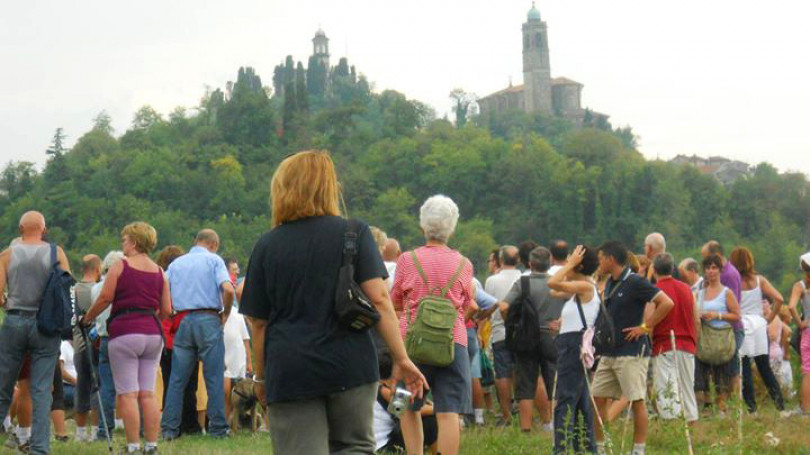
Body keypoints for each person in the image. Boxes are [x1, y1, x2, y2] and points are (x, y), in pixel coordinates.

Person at [239, 151, 426, 455]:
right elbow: (380, 299)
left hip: (291, 368)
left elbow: (259, 323)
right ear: (329, 188)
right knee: (354, 447)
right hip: (350, 363)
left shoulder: (267, 245)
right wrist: (401, 358)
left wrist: (261, 377)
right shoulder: (354, 233)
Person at [392, 194, 473, 455]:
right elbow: (466, 304)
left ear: (422, 226)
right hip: (453, 343)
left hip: (413, 346)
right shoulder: (464, 264)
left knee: (406, 406)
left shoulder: (407, 260)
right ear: (452, 228)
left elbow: (395, 303)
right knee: (449, 412)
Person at [82, 222, 171, 454]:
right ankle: (151, 445)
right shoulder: (160, 272)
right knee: (148, 393)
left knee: (127, 393)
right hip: (153, 332)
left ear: (133, 241)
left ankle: (132, 446)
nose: (122, 244)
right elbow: (167, 309)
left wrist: (87, 318)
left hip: (124, 331)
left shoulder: (121, 266)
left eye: (124, 240)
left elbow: (105, 298)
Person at [591, 241, 674, 455]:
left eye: (601, 259)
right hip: (609, 352)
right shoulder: (610, 282)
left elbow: (666, 303)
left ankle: (638, 449)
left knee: (636, 400)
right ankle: (600, 447)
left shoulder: (635, 281)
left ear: (611, 259)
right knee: (597, 398)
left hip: (631, 353)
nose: (598, 263)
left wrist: (645, 327)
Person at [0, 211, 71, 455]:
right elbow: (65, 291)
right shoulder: (57, 253)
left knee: (4, 384)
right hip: (46, 325)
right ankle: (40, 448)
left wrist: (8, 301)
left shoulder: (7, 255)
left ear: (20, 228)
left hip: (15, 320)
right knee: (41, 390)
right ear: (44, 228)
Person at [160, 229, 236, 440]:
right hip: (209, 319)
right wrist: (225, 314)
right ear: (213, 244)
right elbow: (229, 290)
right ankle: (219, 429)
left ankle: (169, 430)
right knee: (213, 378)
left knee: (177, 380)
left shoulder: (176, 264)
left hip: (182, 320)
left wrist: (168, 313)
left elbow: (161, 288)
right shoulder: (214, 260)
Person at [499, 247, 562, 433]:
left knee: (526, 382)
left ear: (530, 264)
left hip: (527, 337)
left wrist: (512, 325)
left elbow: (503, 306)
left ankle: (525, 428)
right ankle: (552, 424)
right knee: (553, 380)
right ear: (549, 263)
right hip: (551, 336)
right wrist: (560, 322)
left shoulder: (522, 282)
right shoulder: (556, 283)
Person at [548, 245, 599, 455]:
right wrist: (571, 267)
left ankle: (561, 449)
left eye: (572, 258)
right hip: (570, 344)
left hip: (573, 347)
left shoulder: (586, 287)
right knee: (579, 402)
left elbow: (552, 281)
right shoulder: (578, 289)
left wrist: (568, 265)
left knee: (566, 399)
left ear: (580, 264)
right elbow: (553, 290)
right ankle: (586, 449)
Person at [729, 247, 787, 414]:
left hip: (743, 325)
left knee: (745, 368)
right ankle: (780, 407)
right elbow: (779, 298)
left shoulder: (734, 281)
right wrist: (768, 319)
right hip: (759, 325)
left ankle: (751, 409)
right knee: (764, 368)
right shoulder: (759, 280)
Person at [155, 246, 201, 436]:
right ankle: (190, 424)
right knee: (190, 385)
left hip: (166, 339)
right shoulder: (186, 283)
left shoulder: (161, 282)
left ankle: (172, 424)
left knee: (170, 383)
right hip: (186, 336)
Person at [649, 253, 699, 423]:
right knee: (687, 389)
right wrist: (695, 342)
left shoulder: (655, 291)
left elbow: (649, 321)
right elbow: (696, 319)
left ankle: (674, 427)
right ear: (672, 269)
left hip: (664, 345)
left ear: (654, 270)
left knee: (667, 390)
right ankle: (691, 428)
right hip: (687, 345)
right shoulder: (687, 289)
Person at [694, 254, 741, 414]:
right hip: (705, 338)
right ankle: (707, 410)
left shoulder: (726, 292)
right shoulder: (699, 293)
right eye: (708, 268)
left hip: (721, 338)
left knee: (722, 377)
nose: (711, 271)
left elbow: (736, 316)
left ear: (720, 270)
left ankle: (722, 410)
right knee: (704, 377)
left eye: (714, 268)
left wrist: (717, 315)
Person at [484, 245, 522, 426]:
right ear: (519, 260)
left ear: (500, 259)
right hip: (522, 332)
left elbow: (488, 305)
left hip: (500, 332)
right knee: (521, 371)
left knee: (502, 374)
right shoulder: (524, 277)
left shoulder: (492, 280)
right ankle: (523, 410)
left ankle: (506, 414)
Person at [374, 353, 438, 454]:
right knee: (431, 422)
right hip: (383, 448)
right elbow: (409, 411)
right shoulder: (384, 391)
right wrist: (440, 410)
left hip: (379, 445)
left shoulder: (375, 389)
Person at [702, 240, 743, 392]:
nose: (707, 265)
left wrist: (716, 315)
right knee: (723, 369)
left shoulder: (729, 275)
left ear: (717, 256)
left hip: (730, 329)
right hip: (718, 330)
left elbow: (734, 308)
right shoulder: (722, 274)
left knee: (731, 369)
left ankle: (734, 404)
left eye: (707, 258)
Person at [92, 250, 125, 438]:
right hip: (124, 336)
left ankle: (104, 430)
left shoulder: (96, 288)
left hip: (104, 339)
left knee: (107, 387)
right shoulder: (126, 286)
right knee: (133, 386)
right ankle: (141, 428)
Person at [72, 254, 102, 442]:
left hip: (78, 345)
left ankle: (80, 431)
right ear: (98, 269)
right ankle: (96, 430)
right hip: (96, 342)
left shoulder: (72, 290)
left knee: (81, 386)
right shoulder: (99, 290)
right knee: (97, 387)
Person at [468, 278, 497, 426]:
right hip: (469, 331)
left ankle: (459, 415)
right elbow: (493, 303)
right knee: (474, 375)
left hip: (449, 331)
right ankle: (478, 416)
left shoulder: (437, 278)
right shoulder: (470, 281)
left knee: (454, 374)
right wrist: (479, 318)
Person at [788, 252, 810, 414]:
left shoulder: (801, 286)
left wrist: (800, 323)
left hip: (808, 331)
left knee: (808, 371)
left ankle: (806, 409)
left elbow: (791, 307)